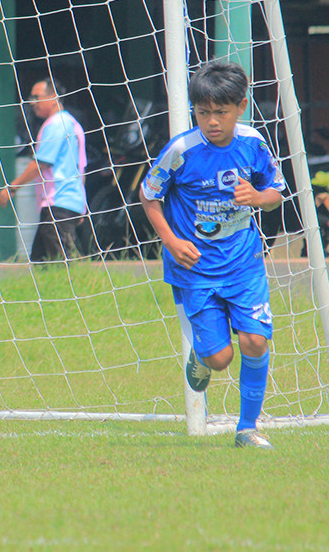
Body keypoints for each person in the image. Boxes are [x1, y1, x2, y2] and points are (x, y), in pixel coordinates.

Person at [139, 61, 285, 449]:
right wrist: (171, 242)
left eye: (221, 112)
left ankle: (247, 429)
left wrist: (258, 197)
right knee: (221, 358)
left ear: (241, 106)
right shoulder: (182, 150)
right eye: (203, 113)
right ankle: (203, 358)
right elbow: (148, 195)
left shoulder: (253, 144)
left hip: (243, 263)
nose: (212, 121)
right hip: (195, 268)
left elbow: (275, 192)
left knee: (255, 341)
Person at [0, 78, 87, 261]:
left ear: (54, 97)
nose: (33, 103)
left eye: (37, 97)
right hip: (68, 203)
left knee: (62, 262)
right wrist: (81, 205)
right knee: (41, 260)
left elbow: (41, 163)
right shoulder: (73, 123)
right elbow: (81, 170)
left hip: (58, 203)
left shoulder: (56, 124)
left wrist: (13, 187)